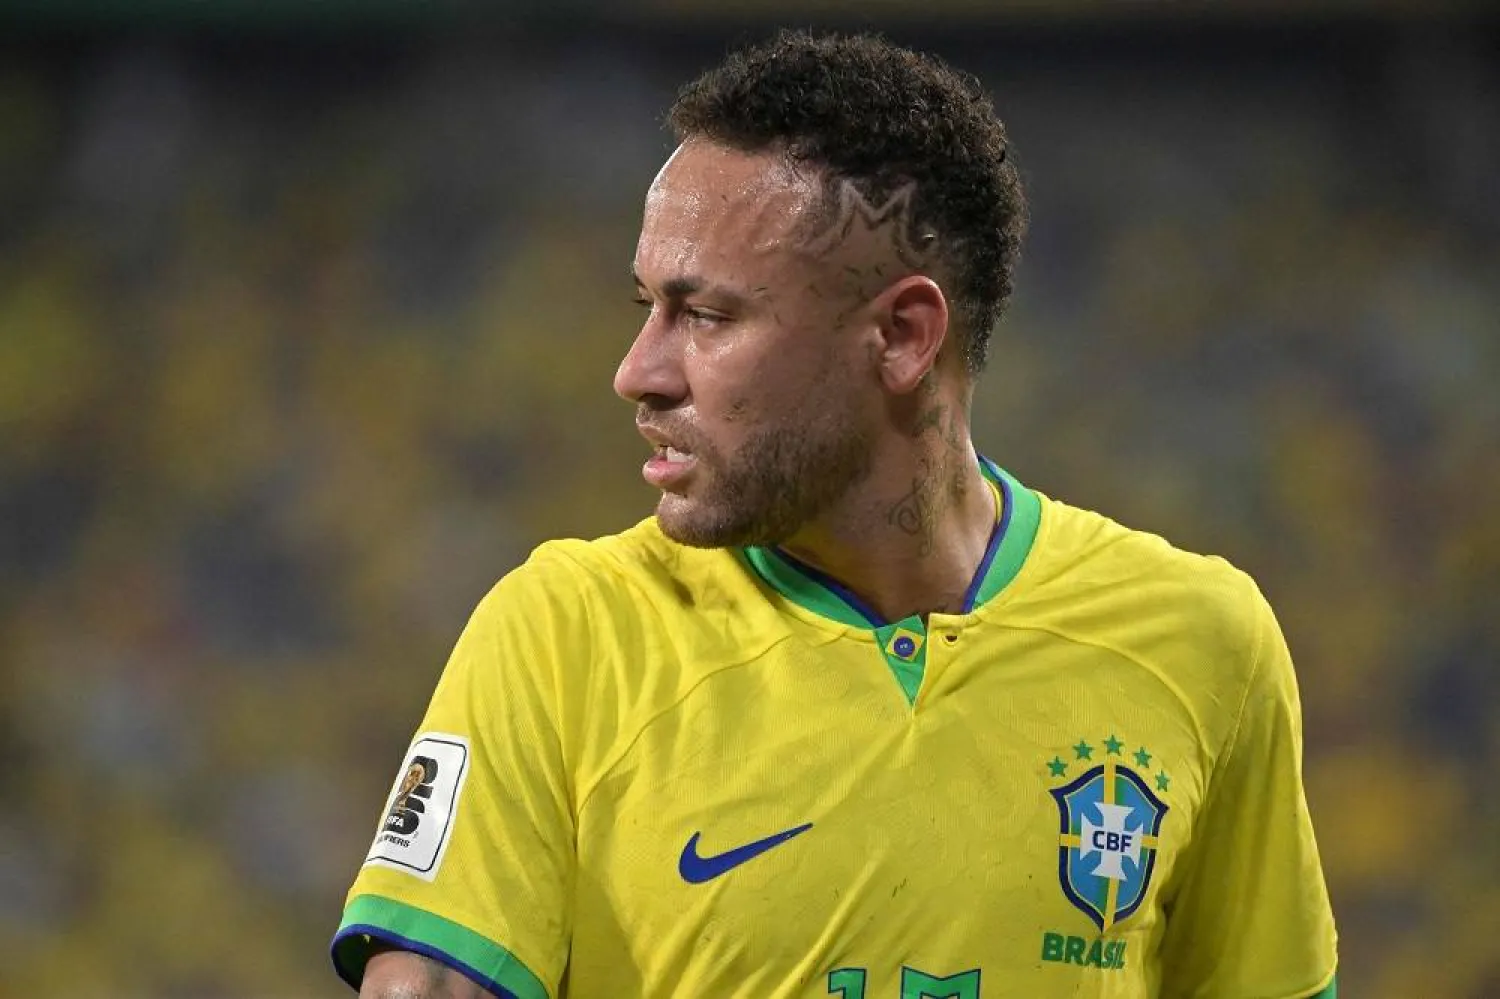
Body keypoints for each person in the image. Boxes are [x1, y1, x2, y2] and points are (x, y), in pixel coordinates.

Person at [330, 30, 1337, 999]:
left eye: (707, 316)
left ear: (902, 336)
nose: (638, 373)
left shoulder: (1203, 643)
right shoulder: (566, 633)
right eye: (645, 305)